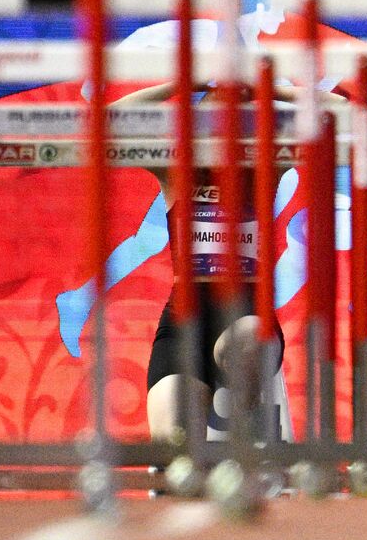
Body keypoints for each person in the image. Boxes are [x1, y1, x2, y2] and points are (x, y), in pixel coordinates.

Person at [114, 82, 333, 444]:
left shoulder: (268, 165)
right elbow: (113, 118)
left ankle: (241, 437)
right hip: (185, 321)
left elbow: (340, 111)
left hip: (247, 315)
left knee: (247, 340)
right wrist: (191, 80)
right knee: (174, 441)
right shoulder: (176, 168)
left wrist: (275, 87)